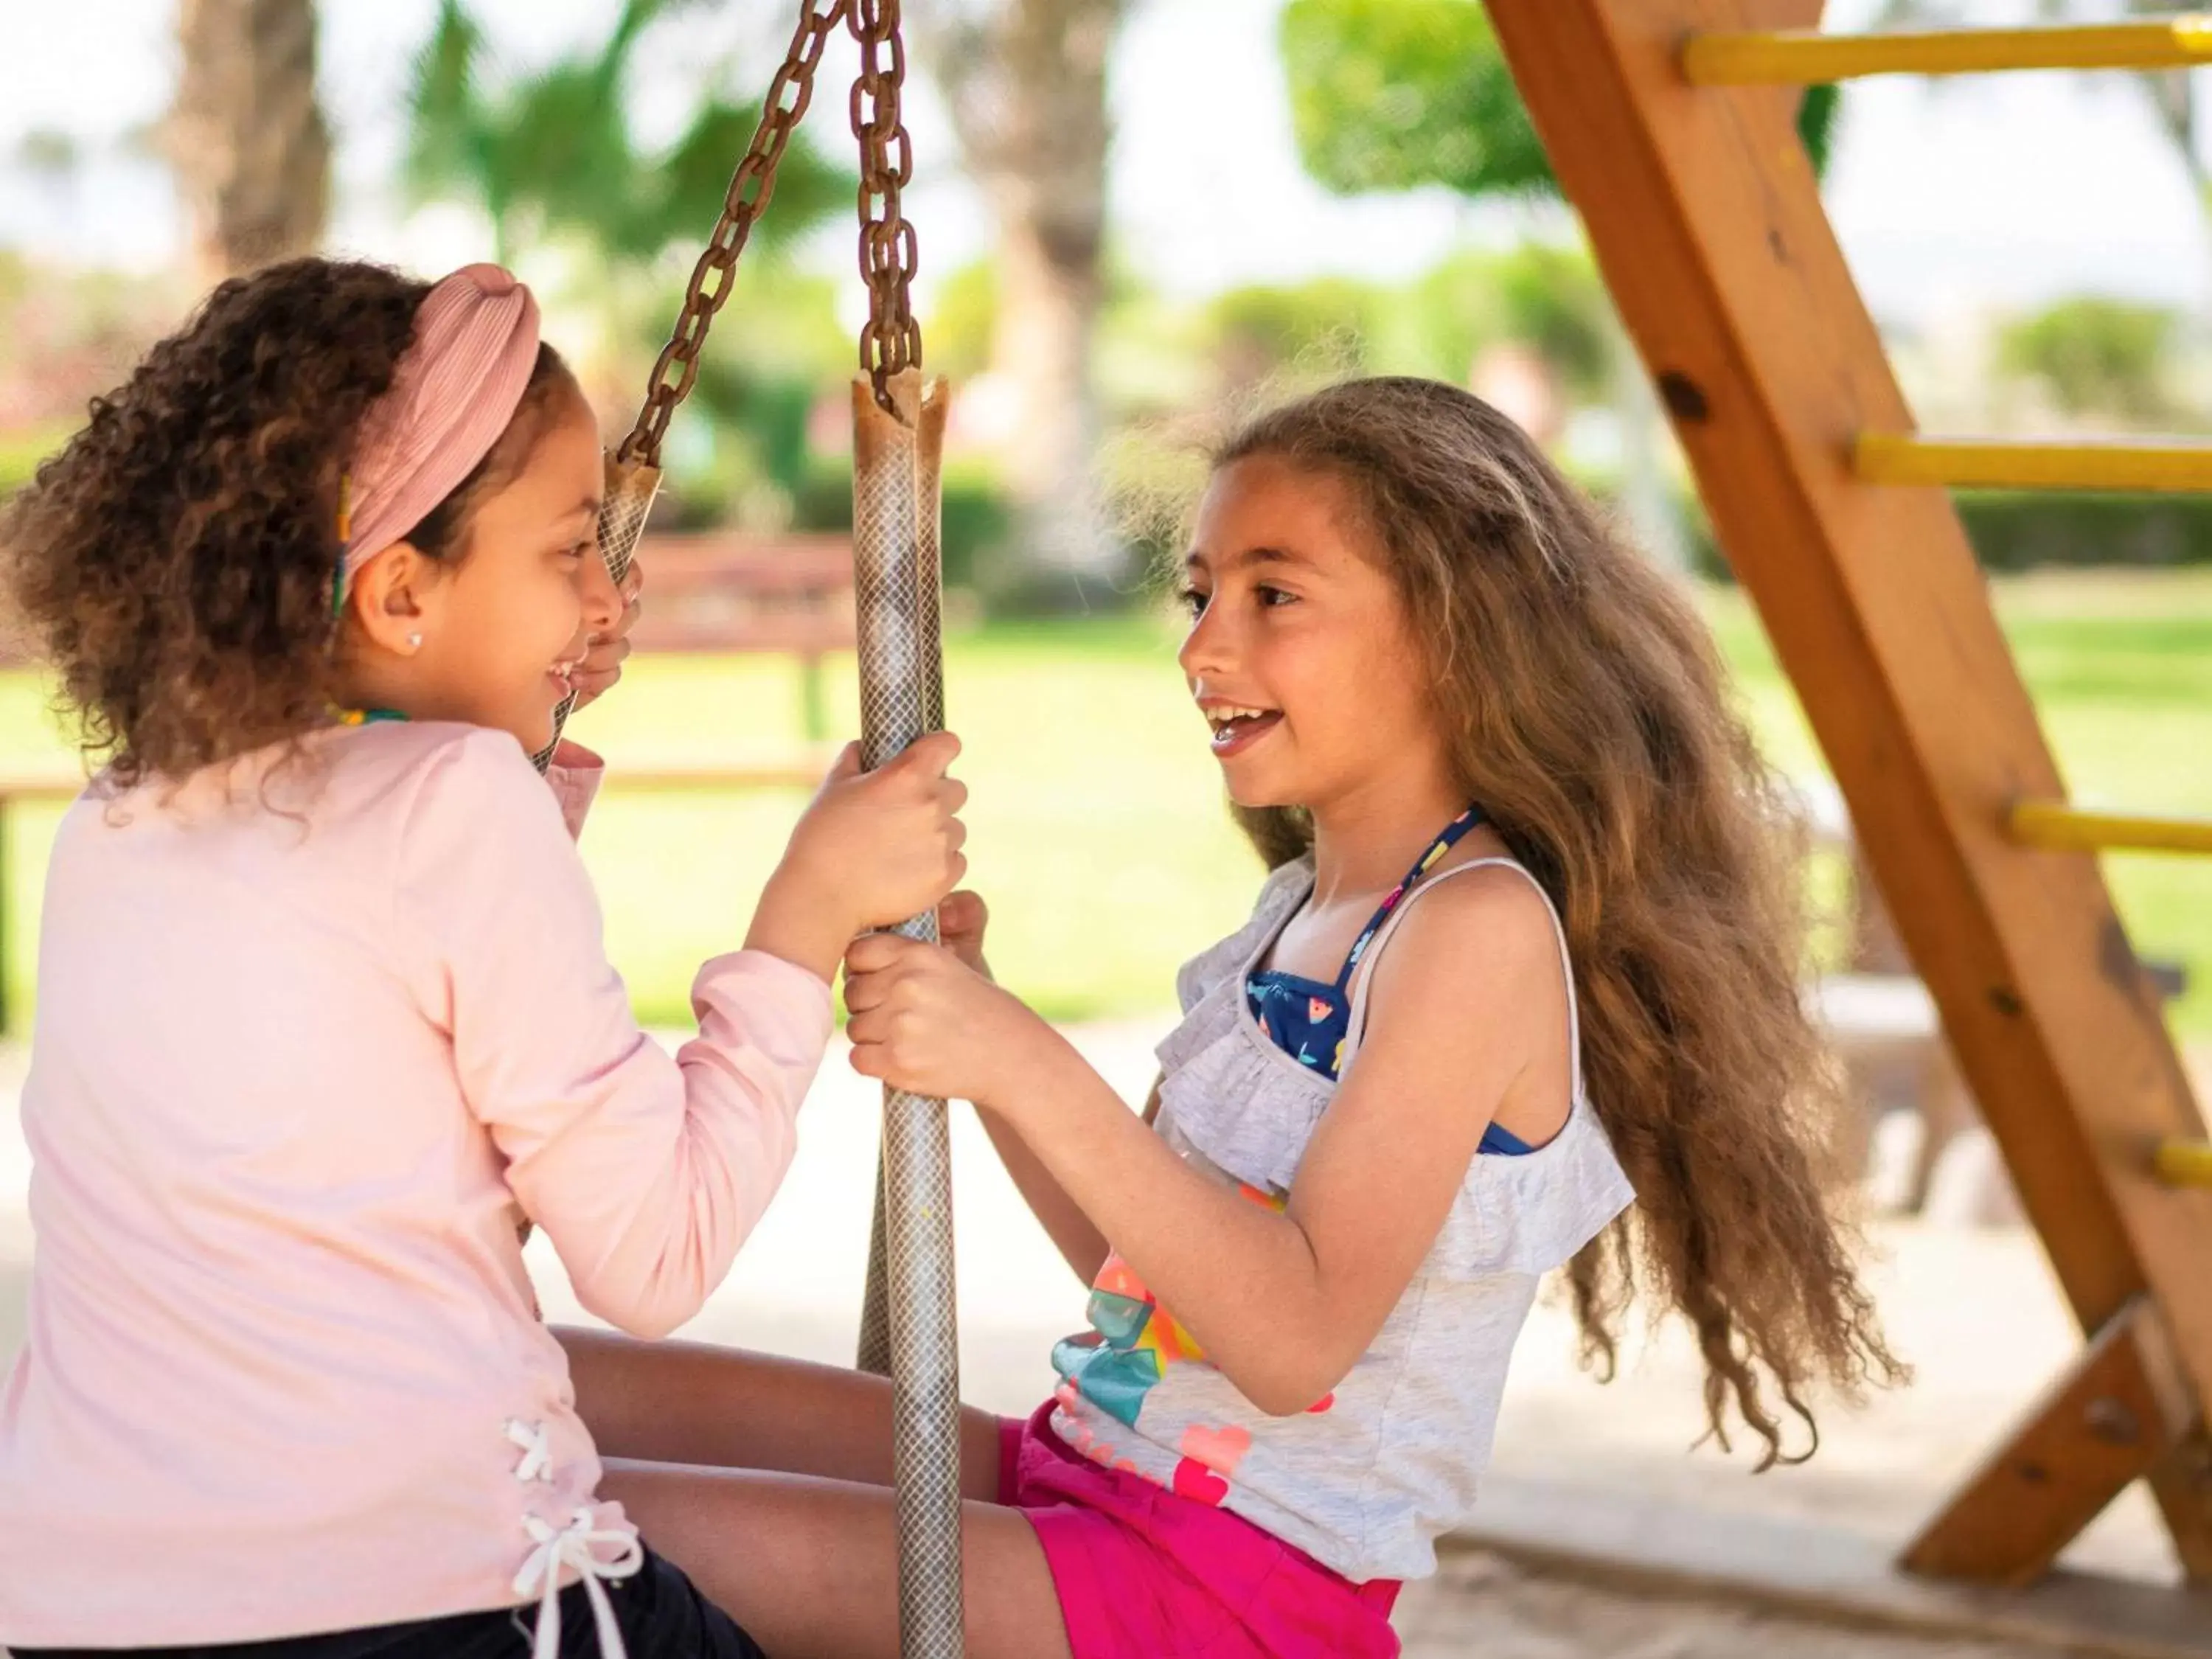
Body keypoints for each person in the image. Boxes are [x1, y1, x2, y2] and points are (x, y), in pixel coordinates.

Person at [550, 376, 1902, 1659]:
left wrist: (1013, 1056)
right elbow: (1140, 1263)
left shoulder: (1472, 931)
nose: (1206, 645)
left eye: (1274, 595)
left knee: (556, 1523)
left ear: (1453, 623)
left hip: (1232, 1590)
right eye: (1202, 594)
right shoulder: (1304, 911)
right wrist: (996, 1042)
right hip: (1091, 1478)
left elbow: (1290, 1341)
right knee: (537, 1385)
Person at [0, 257, 967, 1659]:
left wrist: (528, 710)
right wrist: (802, 918)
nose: (603, 597)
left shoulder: (117, 821)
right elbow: (653, 1248)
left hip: (75, 1607)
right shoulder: (459, 805)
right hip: (432, 1609)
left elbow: (405, 1029)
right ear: (400, 594)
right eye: (572, 549)